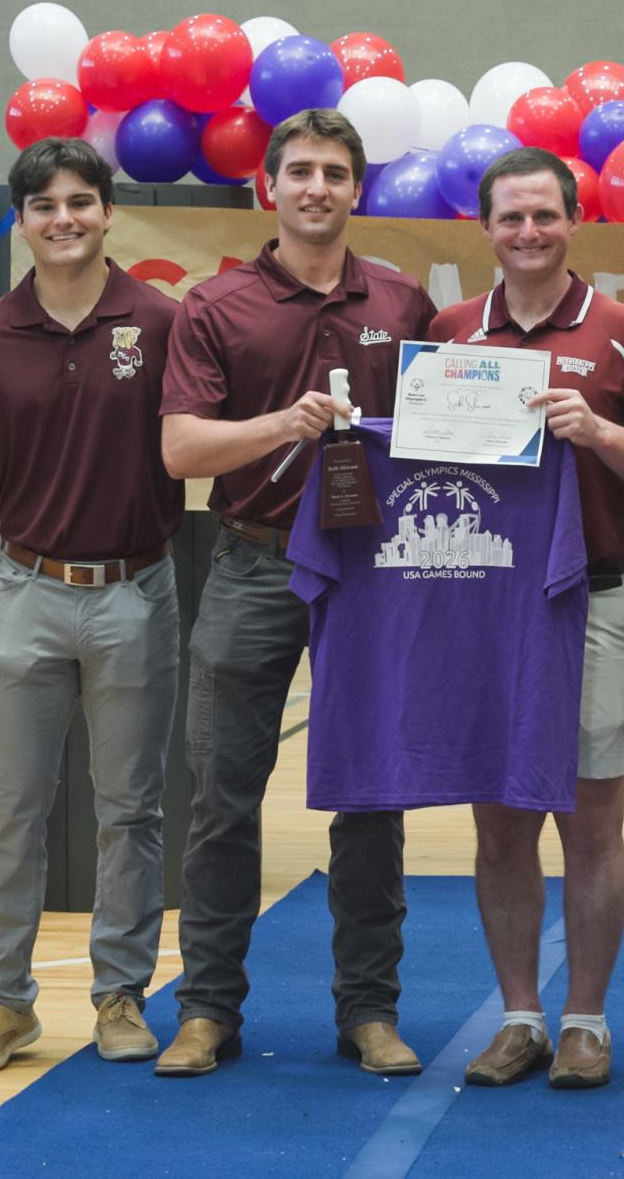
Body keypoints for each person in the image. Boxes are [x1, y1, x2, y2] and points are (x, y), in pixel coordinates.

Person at [158, 109, 435, 1079]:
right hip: (251, 563)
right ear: (267, 187)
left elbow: (442, 434)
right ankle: (206, 1011)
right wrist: (283, 425)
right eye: (300, 171)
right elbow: (183, 447)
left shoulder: (402, 303)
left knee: (371, 797)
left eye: (334, 173)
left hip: (370, 573)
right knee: (223, 800)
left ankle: (370, 1010)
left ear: (357, 190)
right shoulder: (215, 305)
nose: (317, 187)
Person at [426, 148, 624, 1089]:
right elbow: (420, 473)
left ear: (574, 221)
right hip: (482, 611)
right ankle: (520, 1018)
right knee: (499, 826)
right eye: (511, 218)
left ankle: (586, 1020)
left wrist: (602, 432)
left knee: (589, 821)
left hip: (595, 601)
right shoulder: (451, 333)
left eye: (545, 216)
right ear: (486, 229)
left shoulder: (622, 330)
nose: (528, 233)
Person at [0, 138, 182, 1076]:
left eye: (82, 201)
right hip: (24, 592)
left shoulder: (161, 322)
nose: (65, 219)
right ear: (21, 220)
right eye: (44, 206)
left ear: (109, 212)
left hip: (137, 592)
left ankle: (120, 993)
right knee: (13, 811)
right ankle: (3, 1004)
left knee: (131, 811)